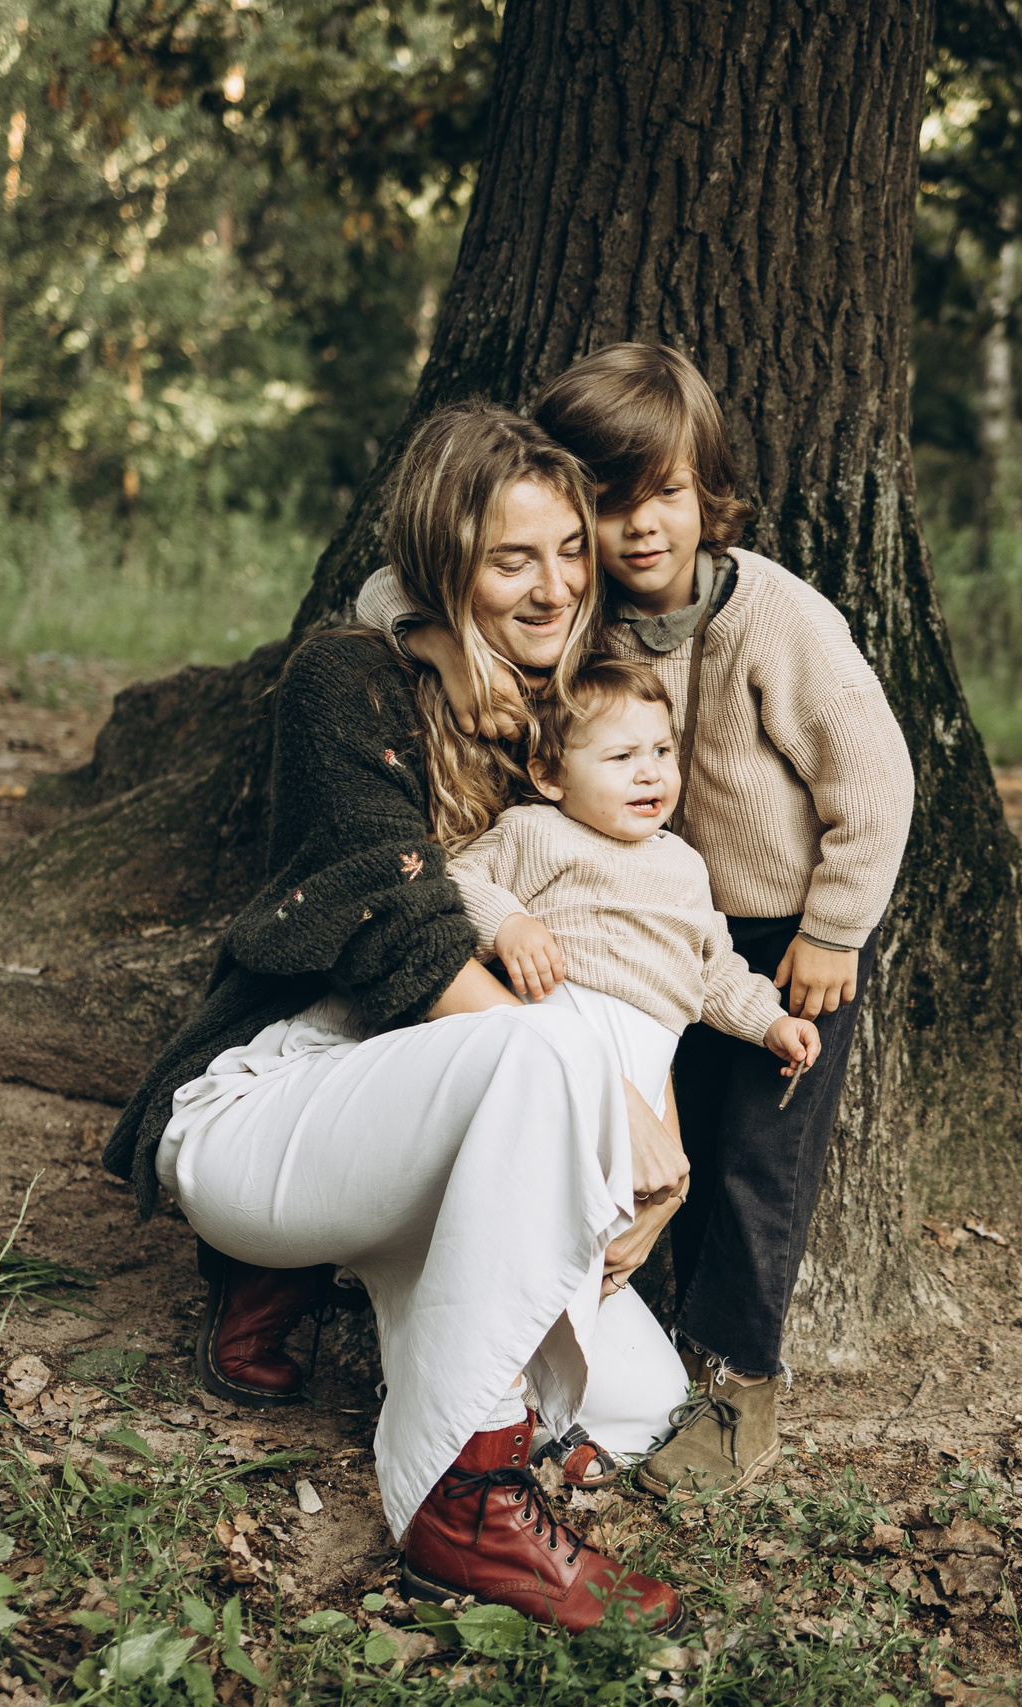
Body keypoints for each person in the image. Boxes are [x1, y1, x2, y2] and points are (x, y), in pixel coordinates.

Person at [100, 402, 692, 1634]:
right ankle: (458, 1500)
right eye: (510, 559)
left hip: (442, 1130)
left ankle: (395, 1340)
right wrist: (606, 1105)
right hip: (278, 1107)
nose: (552, 588)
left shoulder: (570, 709)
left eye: (570, 550)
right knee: (543, 1045)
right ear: (442, 564)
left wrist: (652, 1130)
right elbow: (392, 920)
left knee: (632, 1393)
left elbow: (656, 941)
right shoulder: (348, 678)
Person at [355, 343, 915, 1496]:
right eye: (605, 504)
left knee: (758, 1157)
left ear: (705, 492)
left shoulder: (773, 617)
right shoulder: (581, 600)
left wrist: (836, 931)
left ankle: (744, 1388)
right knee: (655, 1149)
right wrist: (437, 656)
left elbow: (874, 778)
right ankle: (578, 1335)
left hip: (775, 940)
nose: (639, 527)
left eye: (663, 494)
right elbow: (392, 594)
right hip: (636, 935)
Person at [446, 658, 823, 1480]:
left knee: (607, 1284)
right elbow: (454, 882)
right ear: (549, 774)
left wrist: (771, 1022)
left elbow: (713, 970)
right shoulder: (534, 833)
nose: (651, 771)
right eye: (621, 757)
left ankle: (558, 1418)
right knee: (535, 1231)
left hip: (646, 1067)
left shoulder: (684, 866)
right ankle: (490, 1404)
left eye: (662, 751)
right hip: (558, 1036)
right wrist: (508, 925)